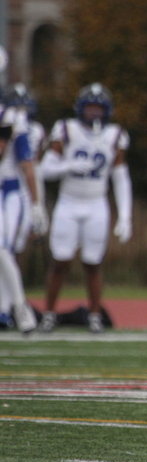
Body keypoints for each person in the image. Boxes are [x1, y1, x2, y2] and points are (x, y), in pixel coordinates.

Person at [38, 82, 133, 334]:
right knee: (60, 260)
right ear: (81, 109)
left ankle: (94, 315)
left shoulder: (115, 135)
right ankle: (48, 313)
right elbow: (44, 170)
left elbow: (121, 177)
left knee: (93, 262)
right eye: (90, 108)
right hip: (68, 202)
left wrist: (125, 215)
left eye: (98, 109)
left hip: (96, 203)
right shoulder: (66, 130)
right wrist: (67, 166)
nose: (94, 114)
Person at [0, 84, 47, 330]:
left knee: (2, 249)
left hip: (7, 192)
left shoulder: (9, 118)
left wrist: (36, 205)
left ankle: (18, 306)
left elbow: (25, 164)